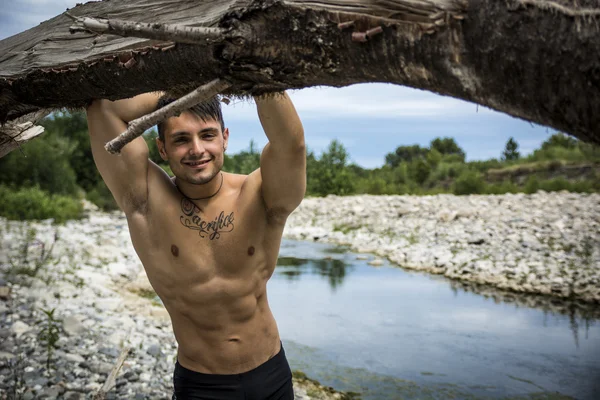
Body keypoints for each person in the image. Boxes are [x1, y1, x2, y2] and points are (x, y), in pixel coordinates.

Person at [86, 91, 306, 399]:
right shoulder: (146, 201)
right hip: (201, 385)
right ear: (162, 147)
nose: (197, 149)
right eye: (181, 139)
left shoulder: (259, 195)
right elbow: (104, 106)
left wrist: (247, 73)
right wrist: (185, 87)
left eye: (207, 135)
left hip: (271, 375)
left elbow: (291, 145)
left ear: (225, 138)